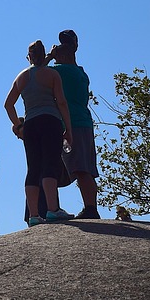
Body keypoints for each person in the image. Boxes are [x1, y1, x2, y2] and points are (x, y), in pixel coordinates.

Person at [5, 39, 74, 226]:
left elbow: (8, 104)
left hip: (31, 123)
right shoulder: (52, 75)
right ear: (44, 55)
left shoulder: (21, 77)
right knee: (50, 164)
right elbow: (61, 102)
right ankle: (52, 210)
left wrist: (18, 125)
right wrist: (68, 128)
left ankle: (34, 214)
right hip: (50, 120)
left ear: (29, 57)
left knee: (33, 167)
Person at [49, 29, 101, 219]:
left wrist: (49, 55)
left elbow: (36, 71)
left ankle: (90, 209)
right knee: (84, 167)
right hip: (84, 122)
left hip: (72, 125)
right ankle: (91, 206)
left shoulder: (60, 71)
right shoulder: (81, 73)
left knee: (80, 168)